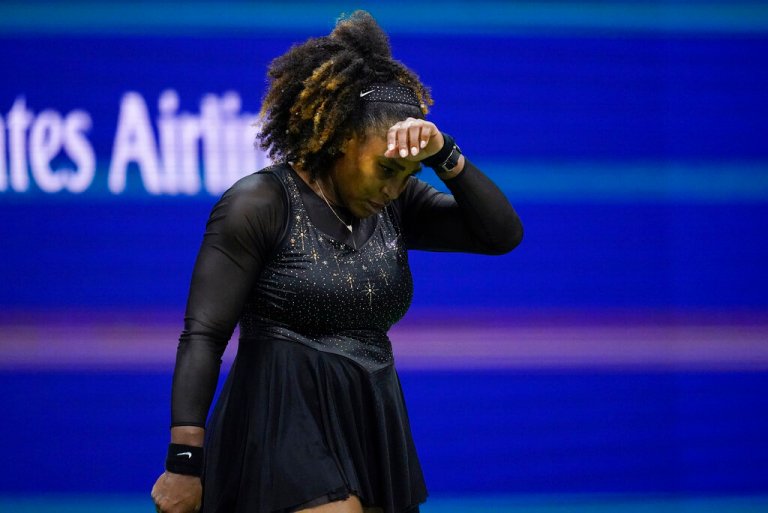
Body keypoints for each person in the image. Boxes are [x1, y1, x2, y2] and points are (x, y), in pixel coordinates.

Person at [151, 10, 523, 513]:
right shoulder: (258, 205)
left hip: (371, 412)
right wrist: (184, 461)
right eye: (386, 169)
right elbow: (203, 335)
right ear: (340, 139)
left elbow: (501, 235)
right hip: (279, 411)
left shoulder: (397, 202)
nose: (394, 187)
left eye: (409, 172)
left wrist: (446, 156)